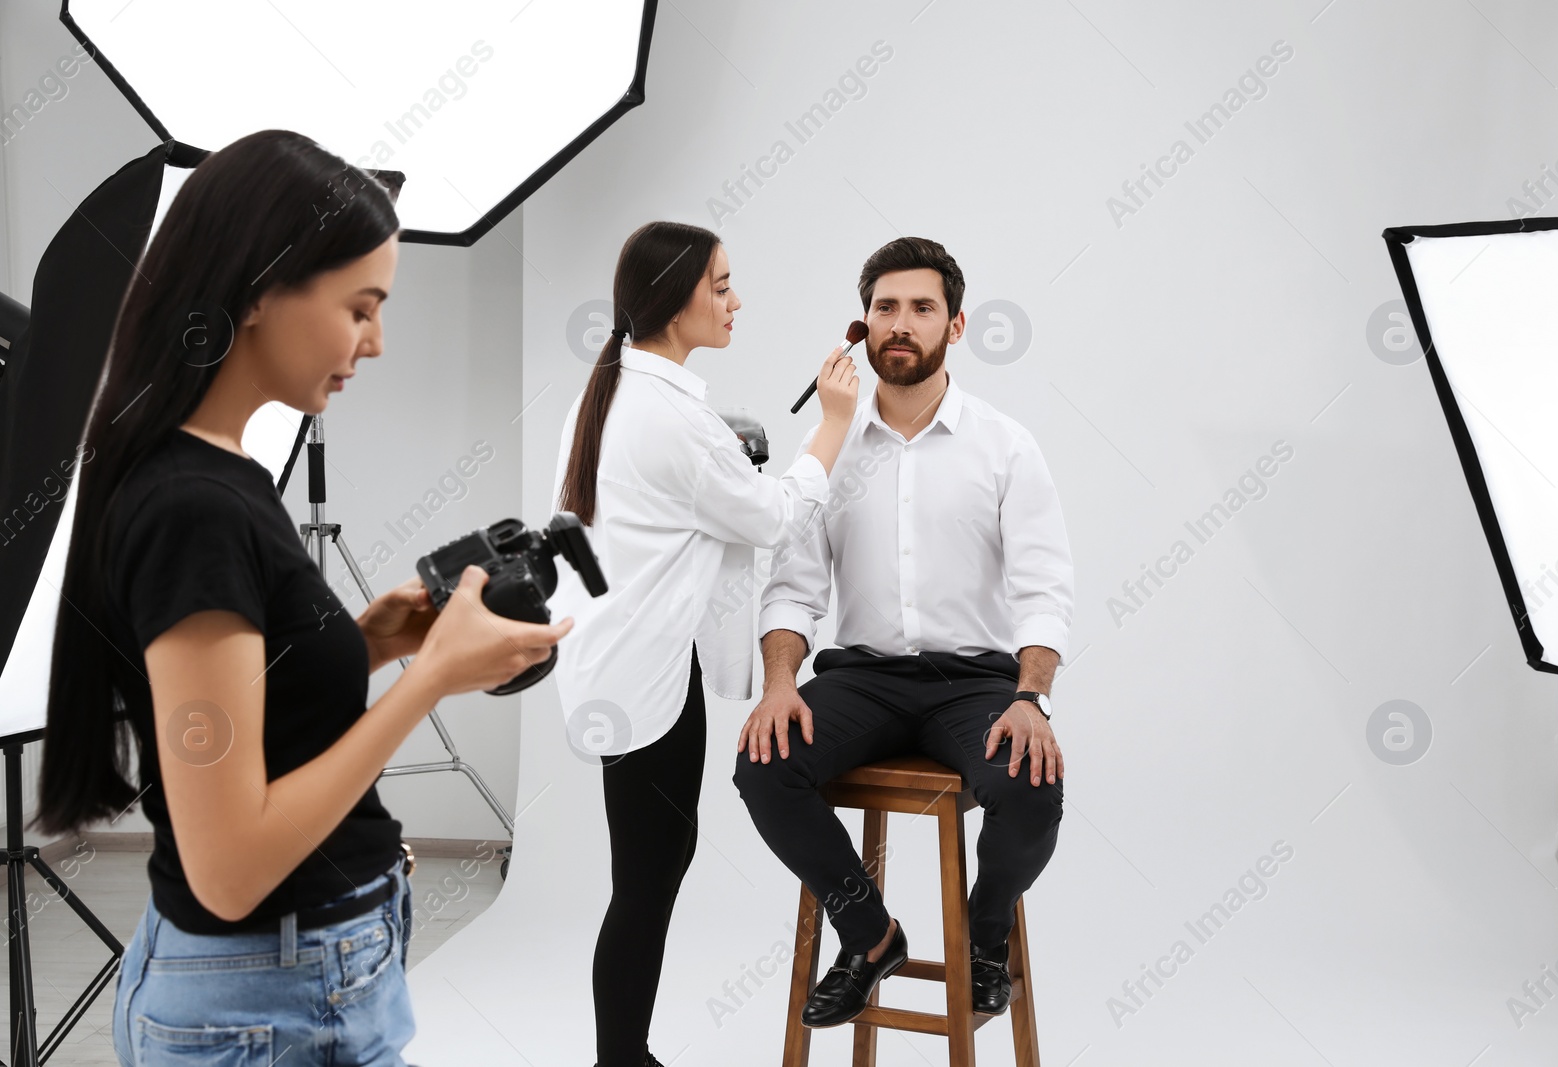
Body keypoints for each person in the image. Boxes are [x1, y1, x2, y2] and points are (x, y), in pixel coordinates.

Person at [33, 129, 573, 1066]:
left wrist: (376, 638)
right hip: (272, 998)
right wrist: (431, 681)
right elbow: (232, 865)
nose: (375, 342)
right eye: (360, 308)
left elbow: (249, 702)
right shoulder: (192, 506)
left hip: (294, 982)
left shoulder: (216, 470)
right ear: (257, 291)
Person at [733, 236, 1074, 1027]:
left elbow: (1044, 587)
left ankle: (984, 937)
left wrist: (1032, 696)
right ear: (861, 325)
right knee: (764, 763)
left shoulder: (1005, 445)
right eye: (885, 307)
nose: (901, 323)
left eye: (922, 308)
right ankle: (870, 934)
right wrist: (780, 684)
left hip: (977, 682)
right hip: (864, 678)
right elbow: (792, 585)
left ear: (955, 326)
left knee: (1032, 787)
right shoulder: (830, 448)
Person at [548, 220, 860, 1067]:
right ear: (672, 298)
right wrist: (831, 425)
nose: (735, 300)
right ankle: (623, 1057)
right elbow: (768, 516)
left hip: (623, 664)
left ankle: (626, 1051)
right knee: (647, 878)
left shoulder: (619, 388)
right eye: (719, 285)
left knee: (655, 866)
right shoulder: (668, 413)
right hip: (646, 676)